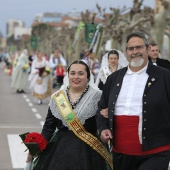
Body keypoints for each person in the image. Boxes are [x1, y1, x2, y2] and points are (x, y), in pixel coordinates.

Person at [96, 31, 170, 170]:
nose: (135, 52)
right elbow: (101, 108)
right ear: (126, 52)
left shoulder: (165, 77)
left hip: (156, 151)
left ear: (147, 49)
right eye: (131, 49)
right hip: (121, 153)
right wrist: (104, 128)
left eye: (139, 47)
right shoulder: (114, 78)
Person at [26, 60, 112, 170]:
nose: (76, 77)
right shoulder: (57, 98)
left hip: (89, 151)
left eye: (81, 73)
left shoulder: (99, 97)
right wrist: (36, 148)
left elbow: (104, 123)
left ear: (88, 77)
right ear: (68, 76)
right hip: (60, 150)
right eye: (73, 73)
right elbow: (48, 127)